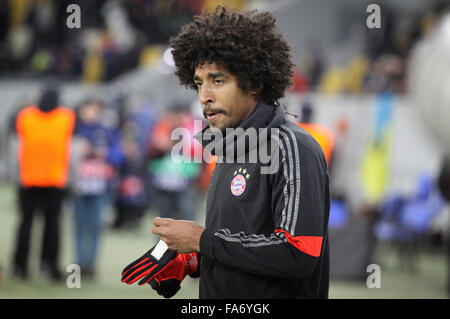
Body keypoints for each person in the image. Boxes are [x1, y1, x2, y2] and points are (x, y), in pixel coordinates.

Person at [122, 6, 330, 299]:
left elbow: (298, 254)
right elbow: (240, 240)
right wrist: (192, 258)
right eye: (198, 83)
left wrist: (201, 240)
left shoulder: (292, 147)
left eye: (218, 81)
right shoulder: (226, 147)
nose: (204, 96)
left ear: (255, 83)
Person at [12, 83, 75, 280]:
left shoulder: (25, 116)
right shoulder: (66, 117)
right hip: (55, 180)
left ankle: (20, 267)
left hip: (29, 178)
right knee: (53, 226)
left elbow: (16, 138)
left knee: (25, 224)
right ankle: (49, 266)